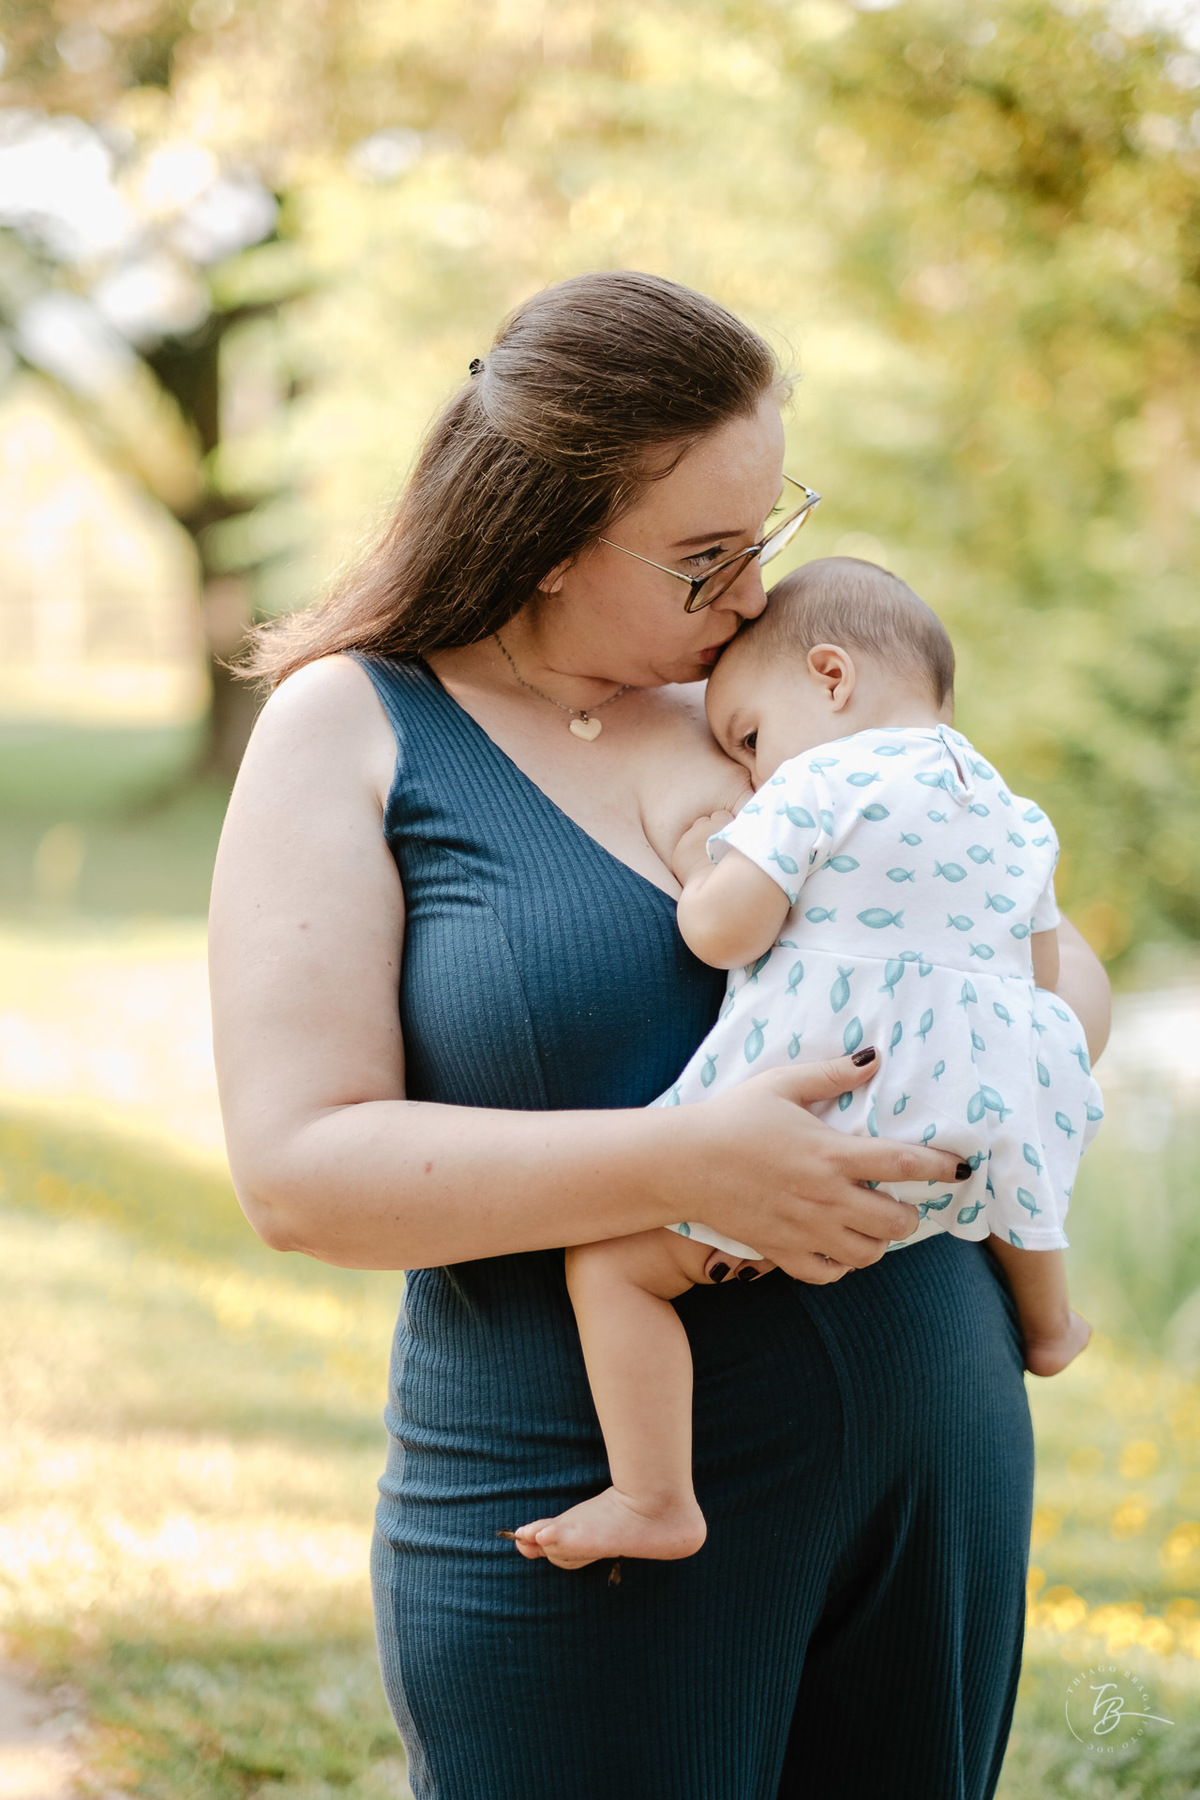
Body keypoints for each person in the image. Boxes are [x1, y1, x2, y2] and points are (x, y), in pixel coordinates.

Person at [208, 271, 1112, 1800]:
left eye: (768, 536)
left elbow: (1048, 965)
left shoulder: (767, 709)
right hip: (586, 1516)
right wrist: (689, 1161)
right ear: (549, 544)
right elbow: (300, 1175)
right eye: (705, 558)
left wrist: (1010, 1067)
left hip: (931, 1481)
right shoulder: (354, 727)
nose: (755, 596)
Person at [515, 557, 1102, 1575]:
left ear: (831, 680)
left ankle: (654, 1495)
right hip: (966, 1121)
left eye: (747, 736)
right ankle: (1052, 1324)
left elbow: (722, 934)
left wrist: (717, 855)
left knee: (613, 1266)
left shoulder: (820, 779)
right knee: (1018, 1176)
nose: (748, 768)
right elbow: (1041, 982)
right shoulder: (1015, 811)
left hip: (814, 1118)